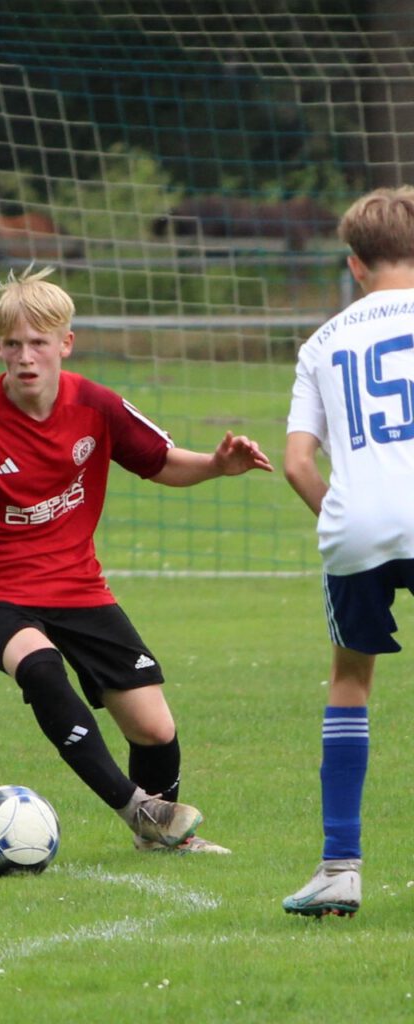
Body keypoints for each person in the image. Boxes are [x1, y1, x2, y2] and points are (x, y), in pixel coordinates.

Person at [0, 265, 273, 851]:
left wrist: (217, 465)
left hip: (77, 586)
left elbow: (162, 461)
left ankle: (161, 840)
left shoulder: (97, 405)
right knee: (40, 668)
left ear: (65, 343)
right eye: (12, 344)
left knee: (155, 728)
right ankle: (137, 810)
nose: (25, 357)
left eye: (39, 342)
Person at [282, 186, 414, 916]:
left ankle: (339, 868)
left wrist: (343, 515)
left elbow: (299, 460)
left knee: (350, 679)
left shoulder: (323, 341)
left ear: (353, 265)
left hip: (355, 527)